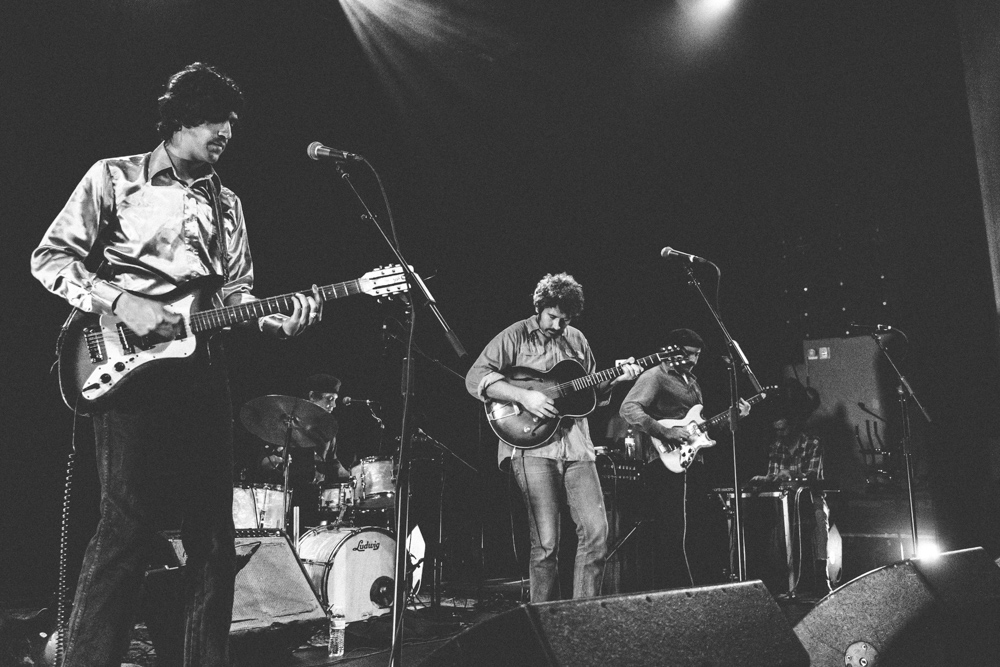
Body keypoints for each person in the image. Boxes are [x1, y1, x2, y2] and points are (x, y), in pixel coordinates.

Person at [31, 62, 323, 666]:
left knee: (214, 539)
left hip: (201, 372)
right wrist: (119, 300)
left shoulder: (229, 204)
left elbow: (238, 295)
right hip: (123, 367)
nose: (227, 133)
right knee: (127, 529)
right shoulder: (114, 178)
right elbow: (49, 257)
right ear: (182, 120)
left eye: (232, 125)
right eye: (216, 121)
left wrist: (273, 319)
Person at [465, 273, 641, 602]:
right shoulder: (514, 335)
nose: (558, 326)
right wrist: (524, 396)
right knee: (546, 543)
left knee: (596, 532)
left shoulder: (577, 339)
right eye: (552, 317)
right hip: (531, 449)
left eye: (565, 320)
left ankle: (583, 616)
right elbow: (476, 378)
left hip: (577, 448)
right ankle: (542, 622)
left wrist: (617, 380)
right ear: (539, 307)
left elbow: (589, 394)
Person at [619, 328, 749, 589]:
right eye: (688, 354)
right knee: (676, 531)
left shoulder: (692, 381)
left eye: (697, 355)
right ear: (671, 350)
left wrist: (736, 417)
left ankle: (697, 588)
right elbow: (628, 408)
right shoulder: (655, 376)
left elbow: (701, 430)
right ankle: (679, 591)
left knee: (697, 530)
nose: (693, 359)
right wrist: (665, 431)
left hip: (693, 462)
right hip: (665, 462)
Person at [749, 378, 831, 595]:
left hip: (809, 496)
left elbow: (813, 476)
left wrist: (792, 474)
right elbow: (773, 474)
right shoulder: (776, 445)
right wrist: (764, 478)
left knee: (820, 517)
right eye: (777, 431)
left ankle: (822, 574)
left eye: (783, 430)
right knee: (772, 524)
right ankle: (780, 577)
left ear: (793, 425)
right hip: (785, 499)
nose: (780, 435)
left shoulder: (812, 443)